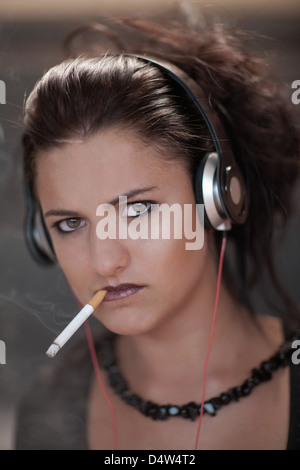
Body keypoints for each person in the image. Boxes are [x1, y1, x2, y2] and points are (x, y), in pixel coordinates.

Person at [15, 15, 300, 450]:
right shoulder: (49, 408)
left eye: (139, 209)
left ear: (217, 199)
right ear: (41, 234)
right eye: (70, 223)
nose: (104, 262)